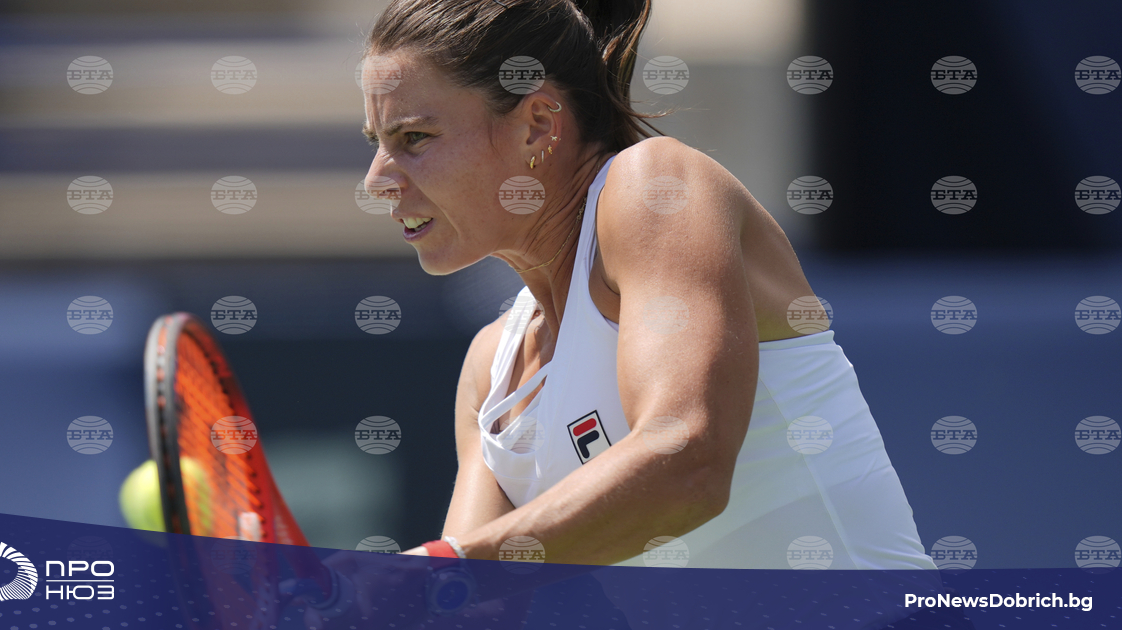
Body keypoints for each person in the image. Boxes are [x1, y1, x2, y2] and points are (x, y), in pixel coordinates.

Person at [359, 0, 937, 576]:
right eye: (376, 142)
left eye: (415, 137)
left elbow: (688, 465)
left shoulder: (656, 187)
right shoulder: (490, 371)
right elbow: (473, 596)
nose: (377, 179)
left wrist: (436, 571)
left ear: (537, 124)